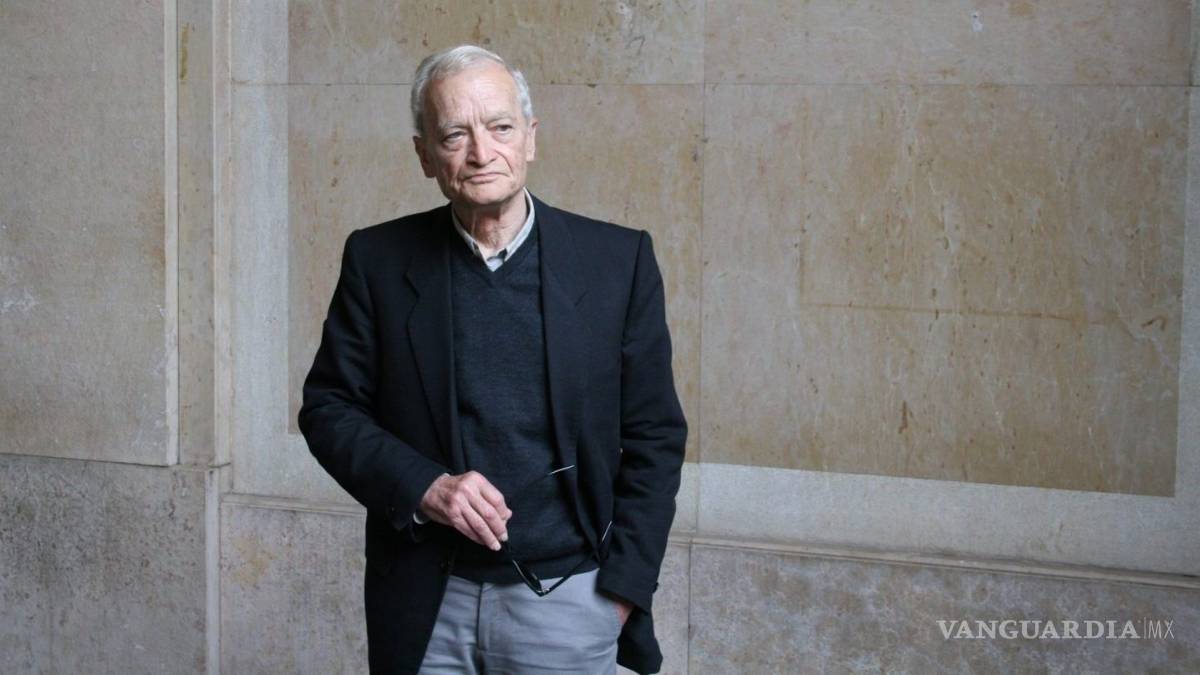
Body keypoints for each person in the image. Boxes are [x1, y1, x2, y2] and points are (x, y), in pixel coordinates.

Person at [298, 43, 686, 675]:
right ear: (425, 155)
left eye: (500, 127)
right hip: (427, 604)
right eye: (455, 134)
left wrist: (619, 594)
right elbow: (328, 410)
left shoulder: (619, 262)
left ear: (530, 138)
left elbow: (655, 435)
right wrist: (426, 487)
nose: (482, 153)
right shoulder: (377, 261)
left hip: (570, 601)